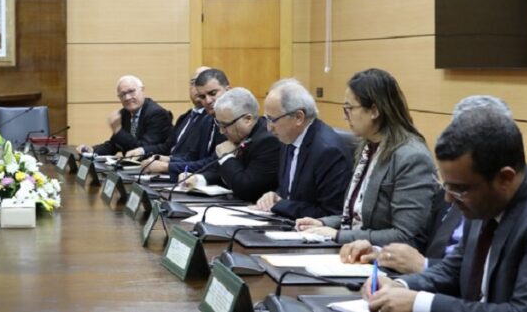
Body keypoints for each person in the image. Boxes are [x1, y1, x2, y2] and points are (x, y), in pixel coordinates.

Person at [363, 107, 527, 312]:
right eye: (446, 185)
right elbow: (454, 270)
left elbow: (526, 310)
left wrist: (419, 303)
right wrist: (400, 286)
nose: (448, 198)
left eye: (459, 189)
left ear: (505, 178)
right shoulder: (484, 200)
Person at [339, 95, 514, 274]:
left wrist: (423, 267)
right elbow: (423, 244)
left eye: (459, 188)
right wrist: (381, 253)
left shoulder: (522, 211)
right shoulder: (460, 185)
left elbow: (471, 279)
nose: (448, 196)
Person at [296, 68, 437, 247]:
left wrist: (338, 235)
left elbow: (406, 236)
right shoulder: (367, 145)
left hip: (383, 263)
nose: (344, 116)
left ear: (374, 111)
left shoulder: (411, 157)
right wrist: (324, 223)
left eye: (349, 109)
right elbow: (357, 216)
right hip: (354, 251)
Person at [254, 79, 353, 219]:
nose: (269, 128)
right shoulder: (288, 137)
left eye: (273, 120)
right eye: (266, 119)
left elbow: (331, 213)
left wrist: (281, 205)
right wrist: (274, 196)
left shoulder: (328, 151)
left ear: (299, 117)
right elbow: (291, 192)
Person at [178, 87, 281, 202]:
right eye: (218, 124)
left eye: (225, 125)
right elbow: (224, 172)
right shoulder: (240, 135)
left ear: (248, 119)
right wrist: (199, 179)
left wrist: (226, 157)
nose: (222, 131)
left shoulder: (267, 141)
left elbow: (247, 189)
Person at [141, 68, 230, 178]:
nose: (208, 101)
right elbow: (194, 157)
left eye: (213, 93)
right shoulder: (206, 120)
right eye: (202, 96)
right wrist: (168, 160)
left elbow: (213, 164)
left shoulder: (232, 124)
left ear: (228, 90)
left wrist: (167, 166)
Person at [125, 67, 211, 160]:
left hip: (183, 170)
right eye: (194, 82)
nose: (198, 88)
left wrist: (167, 163)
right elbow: (167, 147)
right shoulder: (185, 117)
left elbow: (195, 158)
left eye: (203, 82)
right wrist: (142, 151)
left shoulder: (212, 120)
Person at [78, 75, 173, 156]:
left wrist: (118, 130)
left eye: (131, 91)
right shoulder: (124, 113)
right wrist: (92, 150)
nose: (127, 97)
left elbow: (141, 150)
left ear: (142, 90)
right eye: (122, 94)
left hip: (153, 170)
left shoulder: (157, 114)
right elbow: (115, 144)